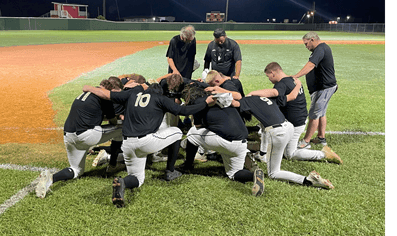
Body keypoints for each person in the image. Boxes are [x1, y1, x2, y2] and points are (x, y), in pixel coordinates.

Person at [84, 75, 209, 207]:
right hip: (145, 142)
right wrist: (206, 103)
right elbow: (184, 110)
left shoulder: (132, 94)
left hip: (127, 143)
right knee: (177, 132)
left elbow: (109, 95)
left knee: (137, 178)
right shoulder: (160, 98)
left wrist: (90, 88)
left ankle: (123, 183)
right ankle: (170, 171)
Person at [34, 77, 124, 198]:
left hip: (69, 135)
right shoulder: (104, 97)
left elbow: (93, 113)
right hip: (86, 135)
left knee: (76, 170)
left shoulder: (87, 93)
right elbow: (113, 120)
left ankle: (51, 178)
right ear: (111, 89)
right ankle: (113, 164)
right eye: (115, 92)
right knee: (121, 129)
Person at [178, 83, 265, 196]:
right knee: (233, 173)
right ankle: (254, 175)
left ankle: (187, 165)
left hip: (227, 141)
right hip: (242, 142)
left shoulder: (198, 103)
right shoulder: (220, 97)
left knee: (192, 134)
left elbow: (198, 127)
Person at [235, 94, 337, 189]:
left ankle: (308, 180)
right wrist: (262, 153)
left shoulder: (245, 103)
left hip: (278, 133)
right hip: (288, 127)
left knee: (274, 173)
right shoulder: (259, 100)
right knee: (289, 153)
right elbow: (264, 130)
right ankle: (323, 154)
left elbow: (236, 104)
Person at [248, 62, 339, 163]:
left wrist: (252, 93)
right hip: (297, 120)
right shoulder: (292, 80)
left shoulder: (282, 84)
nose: (269, 79)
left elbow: (274, 93)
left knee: (289, 154)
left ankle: (323, 154)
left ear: (273, 73)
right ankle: (263, 152)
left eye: (268, 76)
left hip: (296, 124)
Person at [291, 32, 337, 148]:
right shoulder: (321, 48)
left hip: (325, 88)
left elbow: (310, 65)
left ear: (312, 39)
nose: (306, 46)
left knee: (314, 114)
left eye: (306, 44)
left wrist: (296, 76)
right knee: (321, 113)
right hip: (323, 88)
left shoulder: (320, 49)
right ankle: (321, 138)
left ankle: (305, 142)